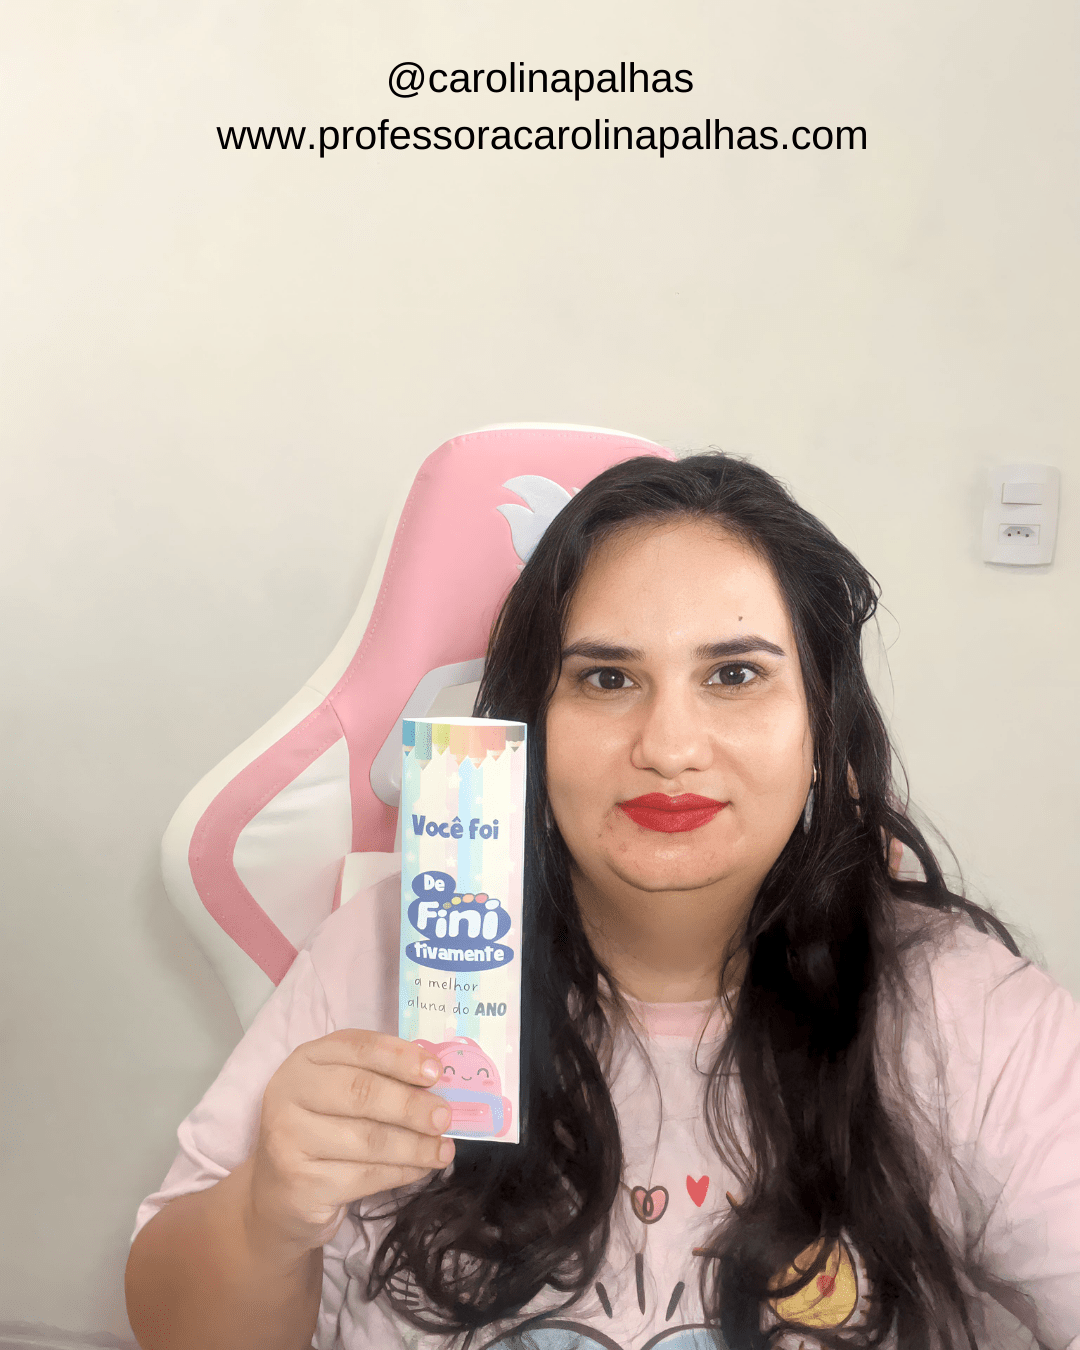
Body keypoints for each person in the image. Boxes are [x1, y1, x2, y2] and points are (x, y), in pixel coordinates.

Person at [124, 454, 1080, 1350]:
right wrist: (268, 1213)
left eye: (735, 675)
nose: (669, 746)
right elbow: (180, 1329)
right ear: (531, 727)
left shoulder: (973, 1014)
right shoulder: (377, 956)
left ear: (823, 730)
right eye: (607, 678)